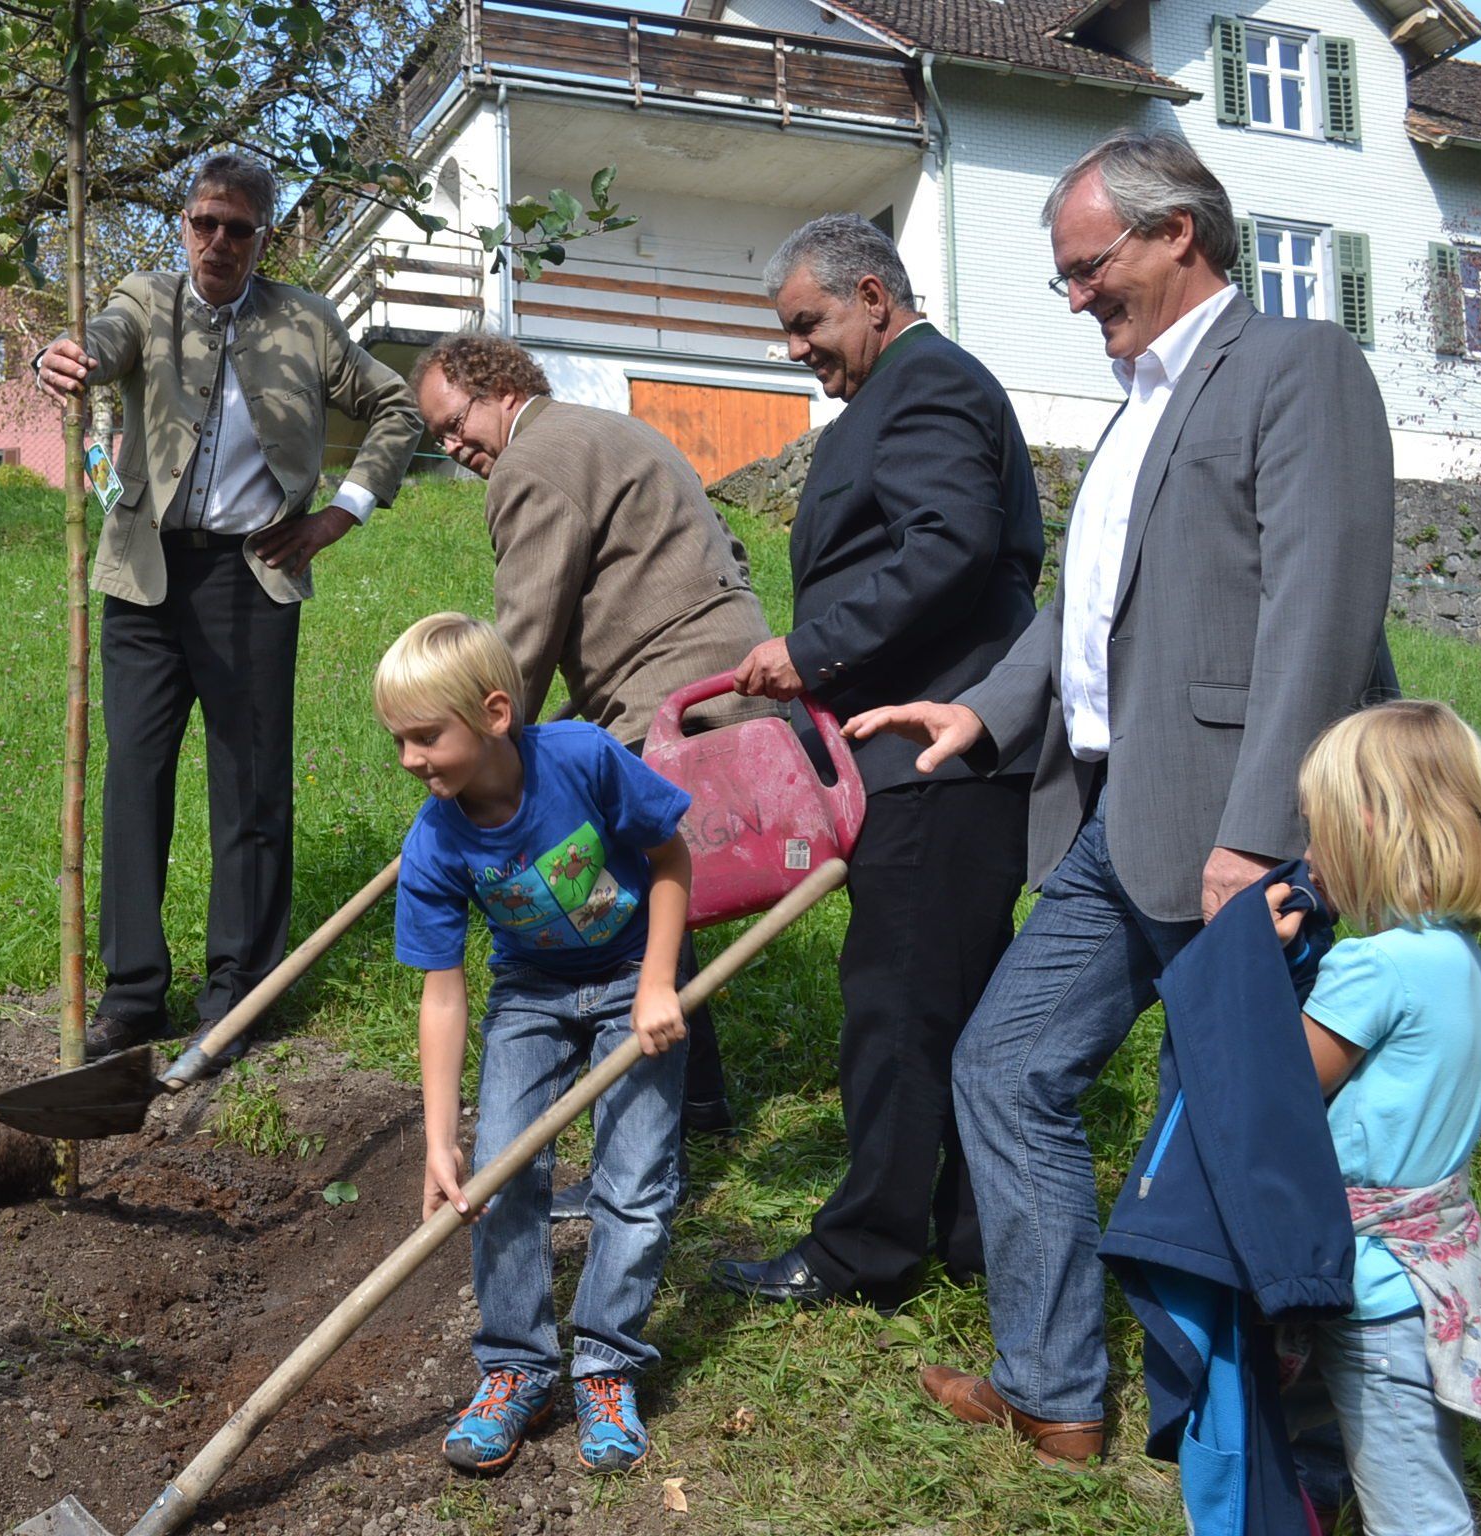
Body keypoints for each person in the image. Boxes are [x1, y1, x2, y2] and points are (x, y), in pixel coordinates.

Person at [846, 131, 1396, 1466]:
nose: (1077, 296)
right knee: (1006, 1066)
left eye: (1088, 267)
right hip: (1119, 816)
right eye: (1067, 278)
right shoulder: (1139, 400)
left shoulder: (1298, 364)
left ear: (1177, 234)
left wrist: (1257, 834)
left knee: (1242, 1136)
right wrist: (985, 707)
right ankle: (1055, 1390)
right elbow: (1092, 606)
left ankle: (1294, 1448)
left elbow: (1321, 609)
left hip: (1243, 831)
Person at [710, 213, 1041, 1309]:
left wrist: (811, 651)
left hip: (933, 753)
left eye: (807, 323)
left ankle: (866, 1254)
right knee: (946, 1003)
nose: (795, 347)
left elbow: (949, 543)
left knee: (898, 1005)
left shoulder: (927, 384)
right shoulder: (904, 392)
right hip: (923, 758)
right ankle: (970, 1234)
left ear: (871, 295)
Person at [35, 152, 423, 1059]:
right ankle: (134, 995)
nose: (218, 241)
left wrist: (338, 515)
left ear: (262, 237)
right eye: (204, 223)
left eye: (237, 228)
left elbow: (397, 407)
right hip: (145, 579)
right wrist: (71, 357)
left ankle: (238, 995)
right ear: (183, 225)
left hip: (253, 577)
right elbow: (107, 340)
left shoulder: (306, 322)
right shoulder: (145, 299)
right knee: (135, 780)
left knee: (251, 787)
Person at [409, 332, 773, 1213]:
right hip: (725, 670)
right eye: (439, 438)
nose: (453, 447)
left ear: (500, 388)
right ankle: (701, 1099)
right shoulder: (605, 427)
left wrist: (474, 763)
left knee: (606, 889)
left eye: (455, 423)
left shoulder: (530, 466)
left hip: (676, 698)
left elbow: (518, 643)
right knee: (637, 877)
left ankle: (645, 1141)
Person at [378, 612, 692, 1477]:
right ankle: (518, 1366)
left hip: (634, 974)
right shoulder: (435, 841)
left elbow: (671, 860)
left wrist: (659, 982)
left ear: (493, 714)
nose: (409, 759)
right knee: (499, 1175)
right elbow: (443, 995)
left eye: (424, 736)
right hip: (532, 993)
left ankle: (606, 1366)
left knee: (636, 1181)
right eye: (397, 740)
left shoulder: (583, 759)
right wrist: (440, 1140)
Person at [1270, 701, 1481, 1535]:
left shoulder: (1374, 967)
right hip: (1434, 1269)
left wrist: (1260, 965)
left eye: (1319, 831)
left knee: (1418, 1514)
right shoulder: (1453, 954)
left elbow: (1277, 1088)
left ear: (1372, 827)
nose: (1311, 857)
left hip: (1377, 1288)